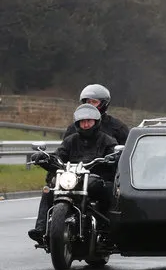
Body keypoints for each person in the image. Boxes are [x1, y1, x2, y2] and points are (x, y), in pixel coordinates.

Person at [29, 84, 128, 242]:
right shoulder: (72, 134)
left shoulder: (116, 130)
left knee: (111, 192)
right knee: (49, 189)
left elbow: (126, 153)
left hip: (100, 174)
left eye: (93, 102)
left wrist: (115, 160)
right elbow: (62, 153)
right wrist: (47, 161)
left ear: (104, 104)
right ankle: (41, 229)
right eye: (86, 102)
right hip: (72, 174)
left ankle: (111, 231)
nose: (86, 124)